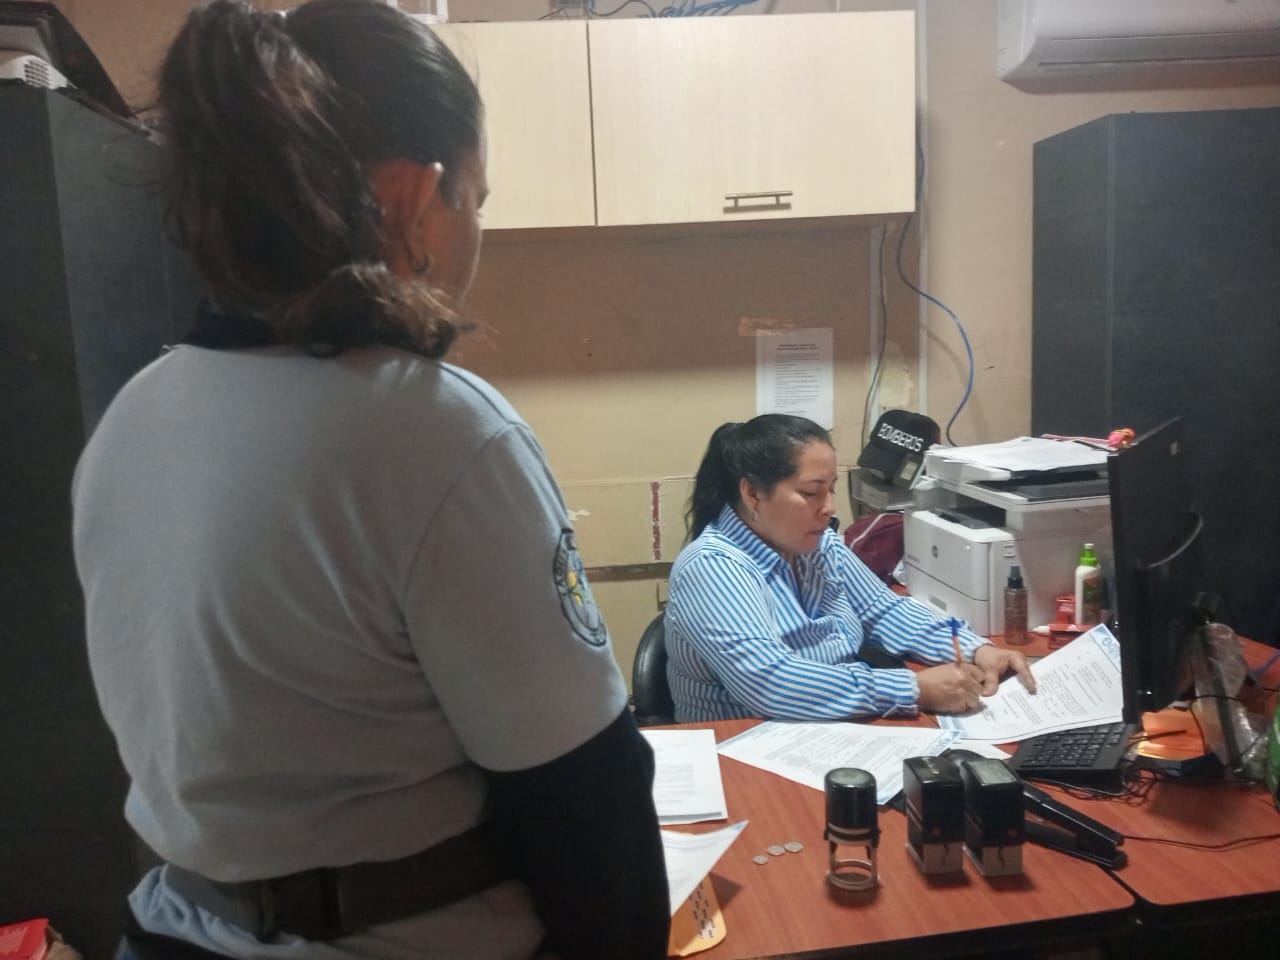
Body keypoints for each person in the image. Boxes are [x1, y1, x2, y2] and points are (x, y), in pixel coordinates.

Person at [70, 3, 667, 959]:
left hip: (174, 932)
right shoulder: (439, 430)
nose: (476, 232)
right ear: (410, 197)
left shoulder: (134, 418)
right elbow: (588, 805)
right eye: (475, 198)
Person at [665, 414, 1036, 722]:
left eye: (831, 489)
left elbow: (884, 611)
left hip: (826, 727)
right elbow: (771, 683)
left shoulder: (818, 545)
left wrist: (977, 650)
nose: (829, 507)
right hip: (741, 743)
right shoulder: (713, 567)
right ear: (753, 493)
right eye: (811, 492)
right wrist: (913, 689)